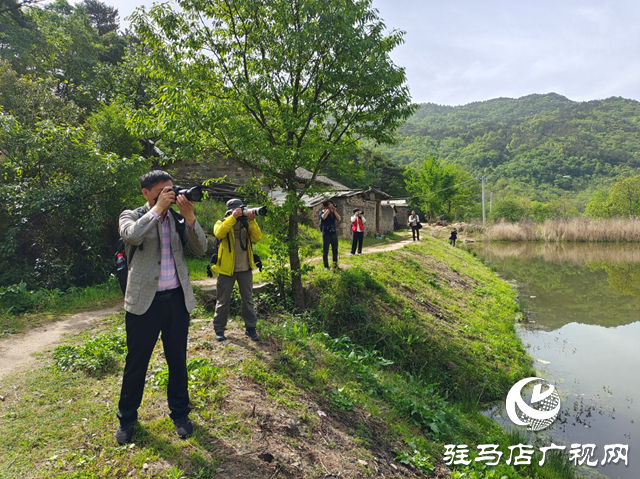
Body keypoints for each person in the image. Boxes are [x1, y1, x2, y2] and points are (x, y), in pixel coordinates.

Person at [116, 170, 208, 445]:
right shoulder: (130, 215)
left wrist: (190, 217)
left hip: (177, 301)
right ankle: (127, 419)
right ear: (146, 193)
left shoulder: (179, 217)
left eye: (171, 189)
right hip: (144, 302)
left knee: (178, 361)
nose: (169, 194)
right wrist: (157, 209)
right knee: (136, 363)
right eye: (161, 190)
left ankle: (180, 414)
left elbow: (201, 249)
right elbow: (131, 236)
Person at [212, 198, 263, 342]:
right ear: (230, 211)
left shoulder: (246, 224)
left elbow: (258, 237)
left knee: (248, 300)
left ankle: (251, 328)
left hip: (245, 268)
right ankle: (219, 329)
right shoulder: (222, 222)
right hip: (226, 269)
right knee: (223, 300)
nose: (241, 212)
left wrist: (252, 221)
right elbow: (219, 234)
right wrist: (232, 218)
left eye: (241, 209)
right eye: (237, 210)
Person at [319, 200, 341, 270]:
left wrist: (334, 211)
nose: (331, 206)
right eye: (329, 205)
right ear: (326, 206)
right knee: (326, 250)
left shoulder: (332, 213)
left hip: (333, 233)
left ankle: (335, 265)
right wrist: (328, 210)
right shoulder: (322, 212)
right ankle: (326, 266)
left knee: (335, 250)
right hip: (326, 234)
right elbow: (323, 217)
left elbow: (339, 219)